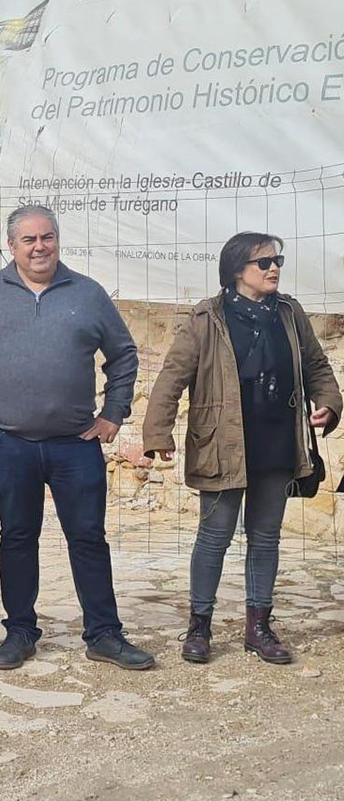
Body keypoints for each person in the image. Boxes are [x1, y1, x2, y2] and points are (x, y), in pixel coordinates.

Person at [0, 204, 154, 671]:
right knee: (17, 536)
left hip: (75, 443)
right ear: (11, 246)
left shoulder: (87, 293)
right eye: (29, 240)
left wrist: (113, 414)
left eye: (47, 237)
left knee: (88, 537)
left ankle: (104, 634)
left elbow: (123, 354)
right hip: (7, 442)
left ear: (57, 241)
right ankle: (20, 631)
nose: (40, 247)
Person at [142, 232, 341, 664]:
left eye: (277, 261)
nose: (274, 268)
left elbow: (317, 365)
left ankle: (258, 628)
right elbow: (172, 376)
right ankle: (199, 627)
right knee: (214, 537)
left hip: (276, 443)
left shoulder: (289, 313)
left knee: (265, 538)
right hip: (222, 444)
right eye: (263, 262)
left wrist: (328, 402)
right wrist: (157, 434)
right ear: (236, 271)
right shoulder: (206, 318)